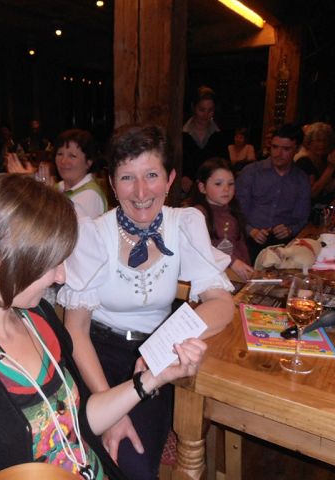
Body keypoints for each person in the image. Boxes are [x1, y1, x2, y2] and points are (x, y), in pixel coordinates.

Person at [0, 174, 207, 480]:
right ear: (3, 257)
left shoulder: (36, 317)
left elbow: (73, 419)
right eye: (53, 264)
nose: (61, 276)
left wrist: (152, 378)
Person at [58, 125, 235, 480]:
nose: (141, 192)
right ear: (112, 183)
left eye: (152, 175)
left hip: (154, 361)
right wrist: (112, 407)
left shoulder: (185, 224)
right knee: (74, 455)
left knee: (132, 463)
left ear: (170, 179)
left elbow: (221, 302)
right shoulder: (93, 234)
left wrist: (165, 346)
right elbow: (75, 330)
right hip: (93, 357)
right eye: (127, 177)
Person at [236, 123, 311, 261]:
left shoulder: (301, 179)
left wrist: (290, 230)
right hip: (249, 240)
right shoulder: (251, 172)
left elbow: (302, 218)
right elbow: (236, 210)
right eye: (275, 147)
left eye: (286, 149)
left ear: (297, 149)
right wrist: (251, 230)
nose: (278, 154)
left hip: (284, 246)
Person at [193, 158, 253, 280]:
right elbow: (203, 248)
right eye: (218, 184)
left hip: (237, 275)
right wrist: (232, 261)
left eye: (230, 184)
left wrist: (248, 268)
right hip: (213, 277)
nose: (226, 189)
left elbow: (241, 246)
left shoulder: (233, 211)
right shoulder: (197, 214)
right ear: (202, 187)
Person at [294, 122, 335, 203]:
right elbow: (312, 193)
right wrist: (330, 168)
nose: (322, 144)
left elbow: (328, 188)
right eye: (318, 140)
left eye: (325, 140)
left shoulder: (323, 159)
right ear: (308, 143)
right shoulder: (303, 162)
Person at [181, 86, 228, 194]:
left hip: (211, 193)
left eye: (210, 110)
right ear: (193, 107)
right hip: (184, 193)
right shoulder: (180, 134)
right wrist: (181, 176)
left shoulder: (219, 136)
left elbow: (225, 166)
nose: (206, 115)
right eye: (202, 110)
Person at [55, 129, 108, 218]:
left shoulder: (90, 195)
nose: (63, 161)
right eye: (60, 154)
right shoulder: (58, 187)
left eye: (72, 156)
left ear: (88, 162)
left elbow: (61, 224)